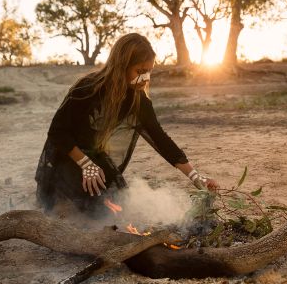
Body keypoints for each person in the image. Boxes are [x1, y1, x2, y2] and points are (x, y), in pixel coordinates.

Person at [35, 33, 219, 216]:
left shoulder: (138, 101)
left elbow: (160, 139)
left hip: (96, 159)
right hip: (68, 155)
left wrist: (196, 177)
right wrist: (86, 165)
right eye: (140, 71)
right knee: (64, 210)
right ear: (121, 66)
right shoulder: (87, 88)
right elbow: (57, 133)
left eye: (149, 71)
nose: (145, 78)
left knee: (109, 209)